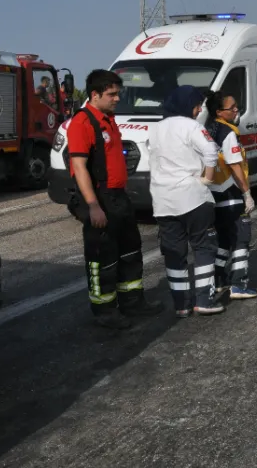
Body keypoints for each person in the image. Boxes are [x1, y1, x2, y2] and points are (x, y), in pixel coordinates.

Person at [67, 69, 163, 328]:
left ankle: (133, 303)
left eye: (118, 93)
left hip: (119, 197)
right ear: (95, 94)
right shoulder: (82, 123)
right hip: (102, 198)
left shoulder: (108, 119)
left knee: (130, 251)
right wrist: (93, 205)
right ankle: (105, 312)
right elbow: (79, 167)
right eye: (112, 94)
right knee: (103, 257)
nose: (117, 98)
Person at [149, 85, 223, 318]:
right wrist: (208, 178)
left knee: (174, 253)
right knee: (203, 248)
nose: (199, 109)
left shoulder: (155, 129)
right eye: (196, 105)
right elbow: (211, 149)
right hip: (192, 197)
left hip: (162, 200)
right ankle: (204, 300)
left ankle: (181, 305)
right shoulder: (191, 126)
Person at [204, 90, 257, 300]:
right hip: (231, 193)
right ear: (219, 111)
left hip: (215, 194)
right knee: (242, 239)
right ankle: (239, 284)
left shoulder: (209, 130)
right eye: (232, 107)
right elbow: (235, 166)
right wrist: (247, 193)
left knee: (224, 240)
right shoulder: (228, 133)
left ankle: (220, 281)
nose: (236, 110)